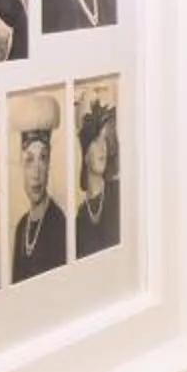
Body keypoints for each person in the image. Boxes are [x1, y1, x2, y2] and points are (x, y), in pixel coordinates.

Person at [9, 92, 68, 281]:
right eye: (29, 160)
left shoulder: (59, 223)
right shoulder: (20, 228)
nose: (36, 172)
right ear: (21, 166)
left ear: (50, 163)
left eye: (43, 158)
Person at [75, 91, 122, 256]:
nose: (103, 147)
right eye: (95, 140)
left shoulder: (119, 194)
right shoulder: (80, 217)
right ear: (84, 154)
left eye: (105, 139)